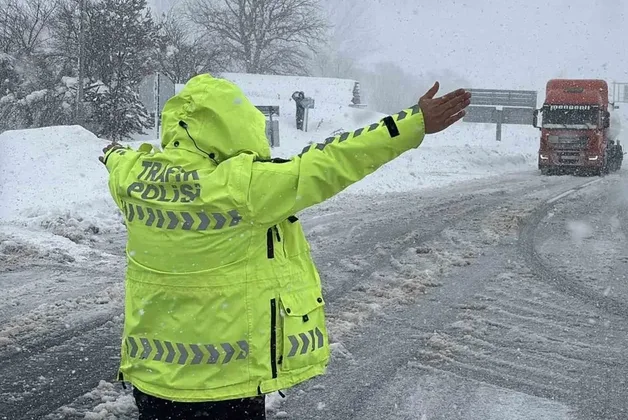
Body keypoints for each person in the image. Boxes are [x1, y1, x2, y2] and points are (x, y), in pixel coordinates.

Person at [99, 73, 471, 419]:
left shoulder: (132, 179)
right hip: (224, 386)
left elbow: (118, 160)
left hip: (152, 380)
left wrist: (113, 152)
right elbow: (332, 160)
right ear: (235, 127)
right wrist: (413, 122)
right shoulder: (245, 186)